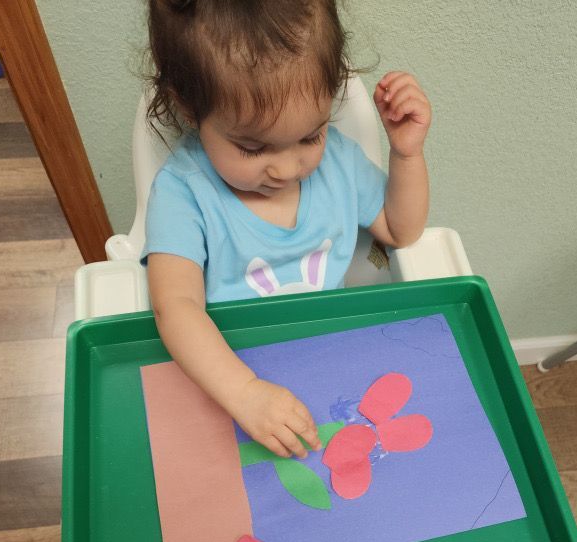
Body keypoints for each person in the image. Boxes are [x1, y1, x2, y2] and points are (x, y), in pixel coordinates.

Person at [143, 0, 431, 461]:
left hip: (330, 364)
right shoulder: (184, 193)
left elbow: (400, 230)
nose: (287, 168)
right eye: (254, 148)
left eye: (310, 136)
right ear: (189, 107)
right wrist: (245, 393)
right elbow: (174, 307)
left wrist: (407, 155)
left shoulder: (337, 163)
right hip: (228, 380)